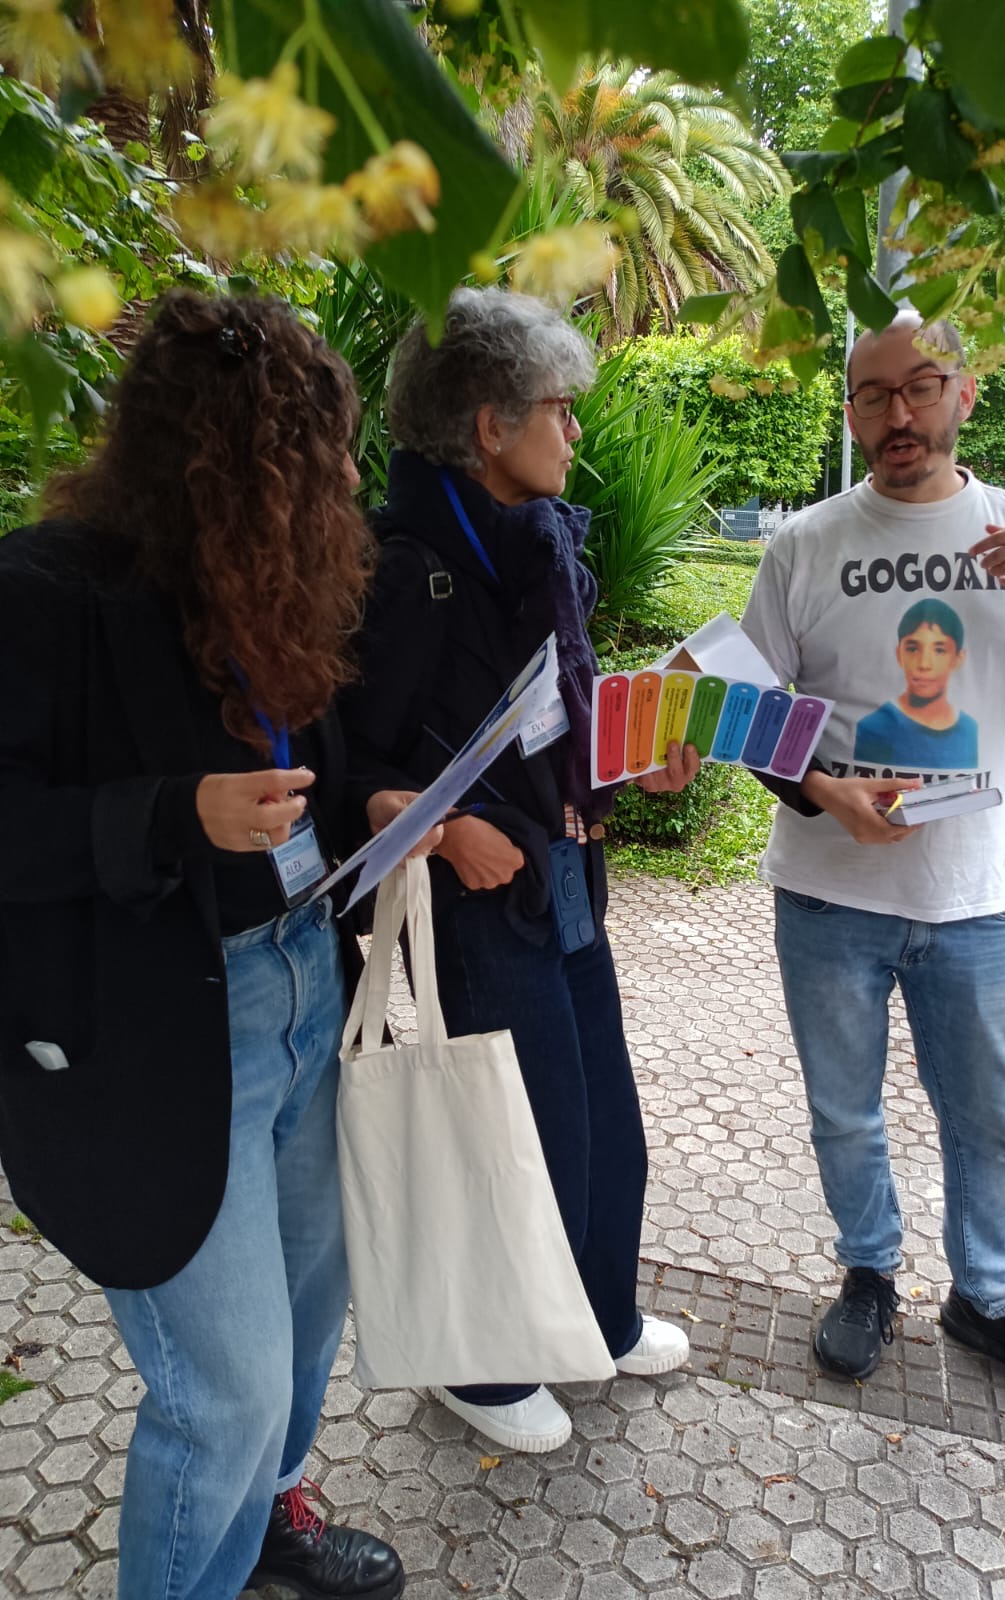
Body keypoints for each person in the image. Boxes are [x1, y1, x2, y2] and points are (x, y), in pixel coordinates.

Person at [0, 290, 440, 1600]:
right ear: (243, 464)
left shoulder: (271, 582)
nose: (351, 481)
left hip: (309, 980)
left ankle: (264, 1534)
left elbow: (320, 759)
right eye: (328, 455)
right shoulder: (43, 593)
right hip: (160, 1034)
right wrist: (171, 818)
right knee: (226, 1391)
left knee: (304, 1335)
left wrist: (371, 805)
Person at [741, 311, 1005, 1406]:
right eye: (872, 394)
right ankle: (869, 1272)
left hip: (974, 899)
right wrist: (817, 786)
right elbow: (744, 707)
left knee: (989, 1114)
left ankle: (987, 1297)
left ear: (963, 393)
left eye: (920, 386)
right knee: (844, 1109)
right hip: (828, 891)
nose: (897, 413)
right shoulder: (805, 545)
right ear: (850, 407)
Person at [340, 285, 699, 1454]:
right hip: (479, 902)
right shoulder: (406, 567)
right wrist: (445, 833)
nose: (576, 429)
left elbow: (554, 723)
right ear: (488, 426)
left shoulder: (535, 547)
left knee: (599, 1120)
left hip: (565, 880)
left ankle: (592, 1315)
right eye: (559, 407)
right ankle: (481, 1367)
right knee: (509, 1131)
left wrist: (630, 768)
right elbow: (352, 763)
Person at [853, 598, 978, 767]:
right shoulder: (873, 728)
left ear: (958, 658)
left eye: (939, 650)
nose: (924, 664)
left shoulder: (970, 730)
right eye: (912, 649)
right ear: (899, 655)